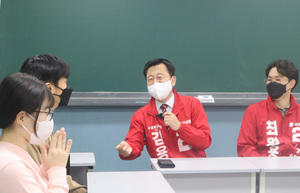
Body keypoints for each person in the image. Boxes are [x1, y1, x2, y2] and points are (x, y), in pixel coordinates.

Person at [116, 58, 212, 159]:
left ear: (173, 80)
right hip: (163, 171)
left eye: (160, 77)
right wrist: (128, 150)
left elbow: (205, 142)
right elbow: (133, 143)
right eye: (150, 79)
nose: (155, 83)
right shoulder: (141, 115)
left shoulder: (192, 104)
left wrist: (180, 127)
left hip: (194, 170)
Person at [20, 54, 86, 193]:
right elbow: (45, 180)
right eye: (65, 82)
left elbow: (55, 175)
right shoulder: (29, 132)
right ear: (49, 89)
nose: (67, 88)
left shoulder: (42, 123)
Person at [0, 72, 72, 192]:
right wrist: (57, 169)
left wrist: (45, 171)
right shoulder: (12, 166)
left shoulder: (17, 153)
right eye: (46, 112)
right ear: (22, 117)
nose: (48, 119)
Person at [237, 59, 300, 157]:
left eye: (278, 79)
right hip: (264, 170)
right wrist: (261, 167)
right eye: (270, 79)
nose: (272, 83)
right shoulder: (254, 111)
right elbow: (245, 147)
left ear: (291, 83)